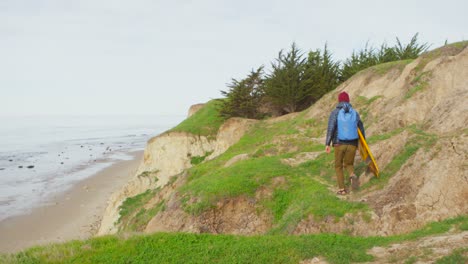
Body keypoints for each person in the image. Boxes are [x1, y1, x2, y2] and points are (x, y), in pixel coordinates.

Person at [325, 91, 365, 195]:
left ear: (339, 100)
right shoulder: (354, 113)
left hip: (339, 144)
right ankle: (352, 175)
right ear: (348, 100)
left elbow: (331, 128)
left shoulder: (335, 112)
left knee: (338, 166)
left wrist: (327, 144)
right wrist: (362, 143)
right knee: (349, 163)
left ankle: (342, 189)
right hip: (352, 144)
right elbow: (361, 128)